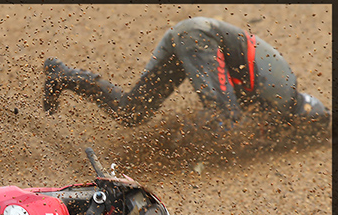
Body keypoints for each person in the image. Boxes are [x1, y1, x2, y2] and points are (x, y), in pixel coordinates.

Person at [43, 17, 330, 132]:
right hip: (200, 38)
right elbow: (229, 112)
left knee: (131, 112)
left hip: (189, 36)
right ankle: (180, 159)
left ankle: (63, 75)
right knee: (226, 117)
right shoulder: (280, 91)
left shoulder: (278, 91)